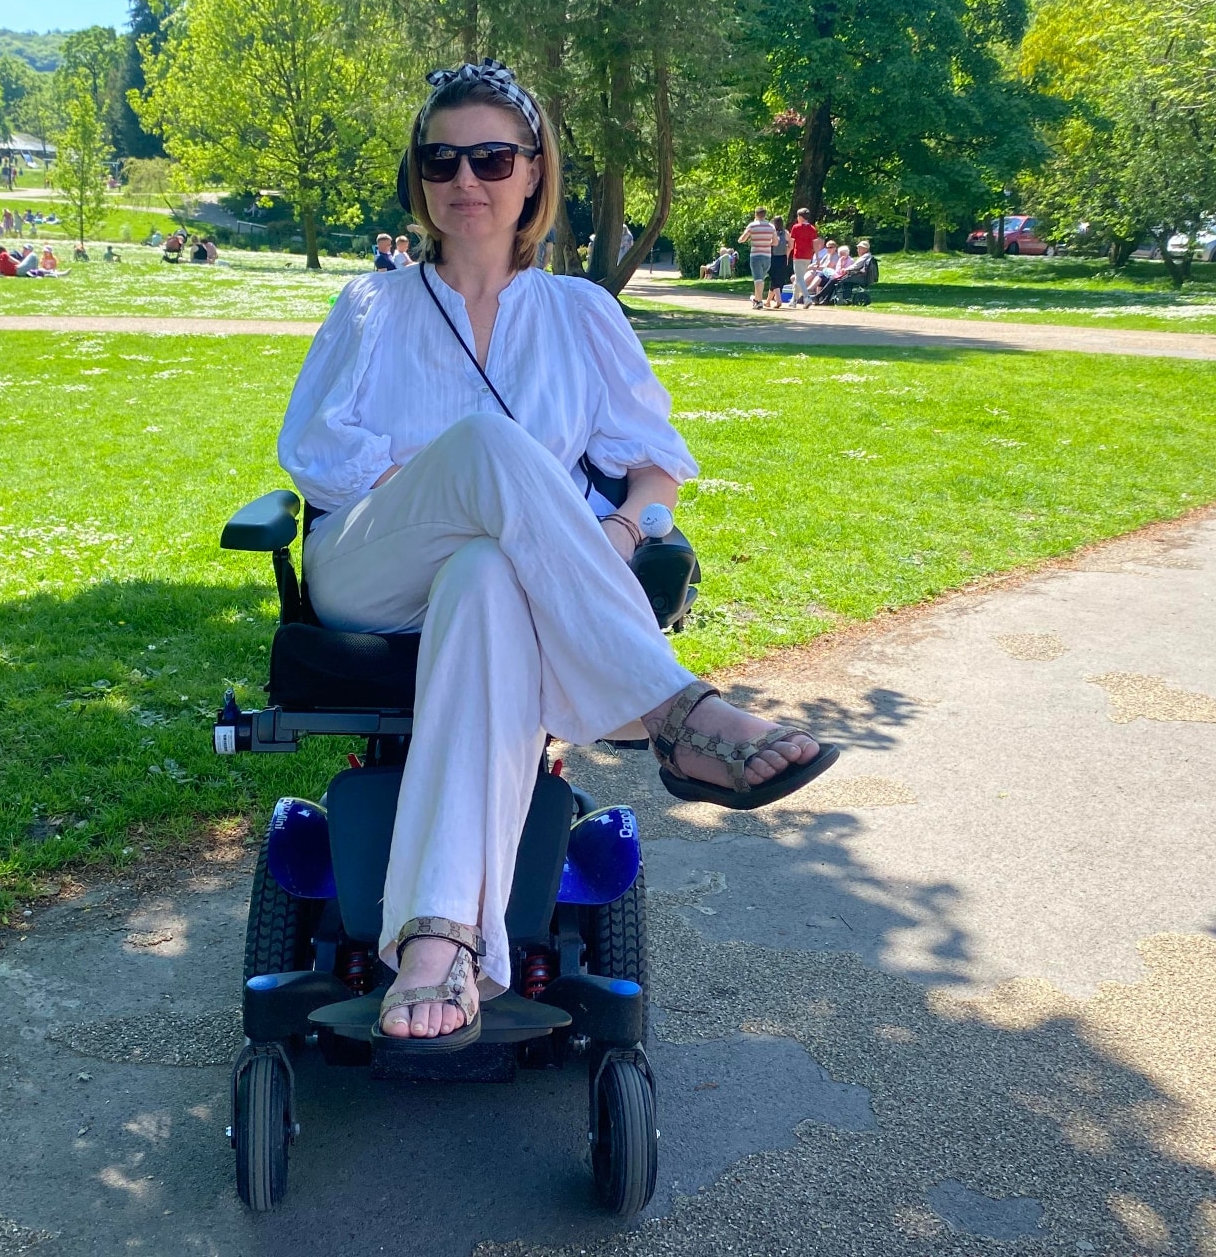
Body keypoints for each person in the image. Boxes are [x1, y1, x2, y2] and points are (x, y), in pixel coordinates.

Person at [279, 59, 833, 1047]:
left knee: (488, 573)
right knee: (491, 454)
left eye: (493, 157)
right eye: (441, 159)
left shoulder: (581, 313)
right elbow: (320, 458)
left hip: (507, 585)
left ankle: (440, 943)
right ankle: (672, 710)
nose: (467, 181)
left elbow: (652, 467)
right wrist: (458, 478)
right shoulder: (371, 306)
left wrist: (620, 528)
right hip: (370, 566)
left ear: (534, 173)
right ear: (419, 177)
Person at [738, 206, 779, 309]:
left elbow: (742, 239)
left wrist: (744, 239)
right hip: (767, 256)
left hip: (756, 255)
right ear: (765, 215)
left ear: (756, 214)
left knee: (758, 279)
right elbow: (775, 242)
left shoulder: (752, 226)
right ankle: (756, 299)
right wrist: (766, 242)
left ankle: (760, 301)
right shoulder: (771, 227)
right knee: (761, 278)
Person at [786, 207, 818, 307]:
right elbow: (814, 244)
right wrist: (817, 256)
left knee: (799, 278)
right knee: (798, 278)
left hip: (798, 255)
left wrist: (787, 253)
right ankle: (793, 300)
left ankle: (807, 297)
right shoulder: (812, 229)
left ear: (800, 217)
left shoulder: (796, 227)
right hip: (808, 256)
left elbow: (792, 242)